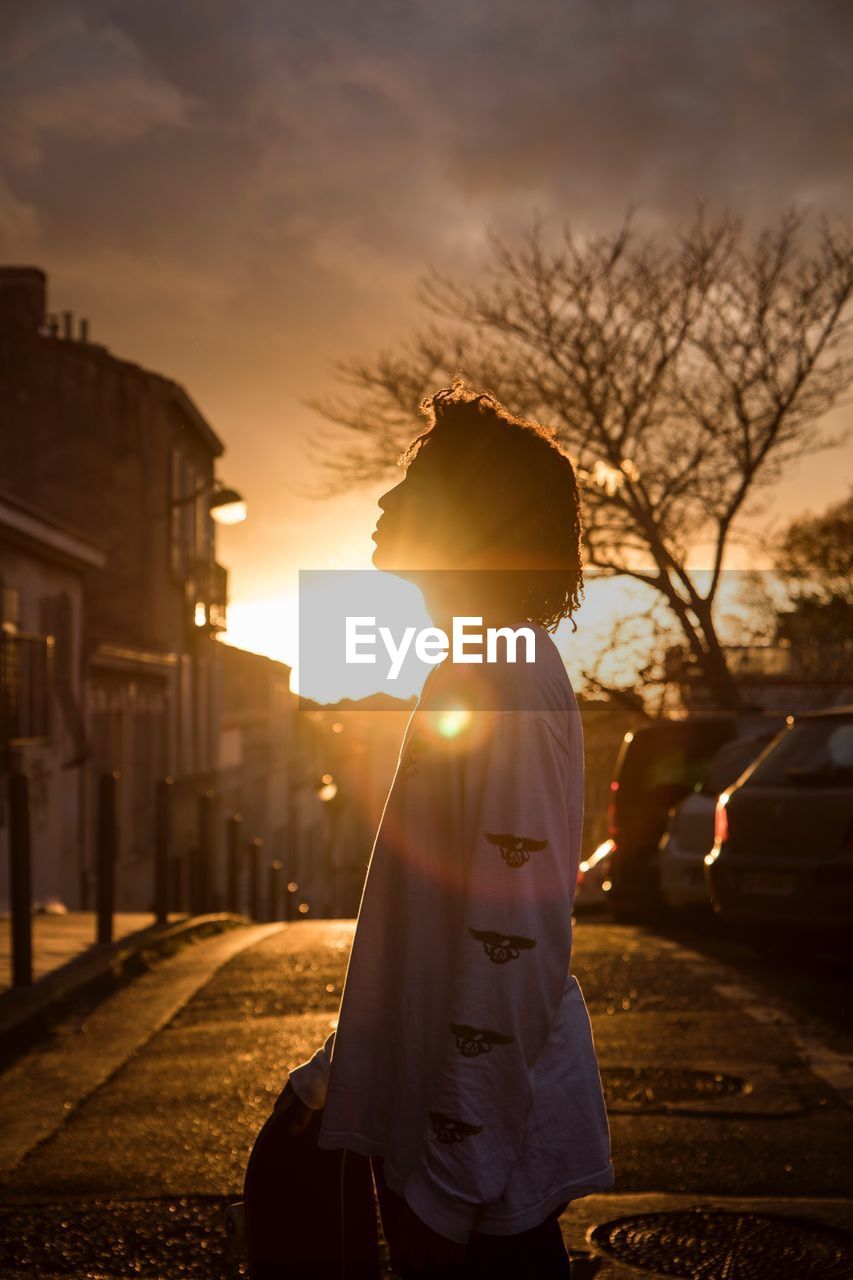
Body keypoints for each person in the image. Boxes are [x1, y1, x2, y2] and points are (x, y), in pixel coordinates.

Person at [279, 384, 613, 1278]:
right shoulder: (479, 661)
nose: (387, 502)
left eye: (415, 485)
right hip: (441, 1129)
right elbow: (430, 924)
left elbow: (516, 940)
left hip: (471, 1169)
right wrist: (338, 1072)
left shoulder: (504, 678)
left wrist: (454, 1173)